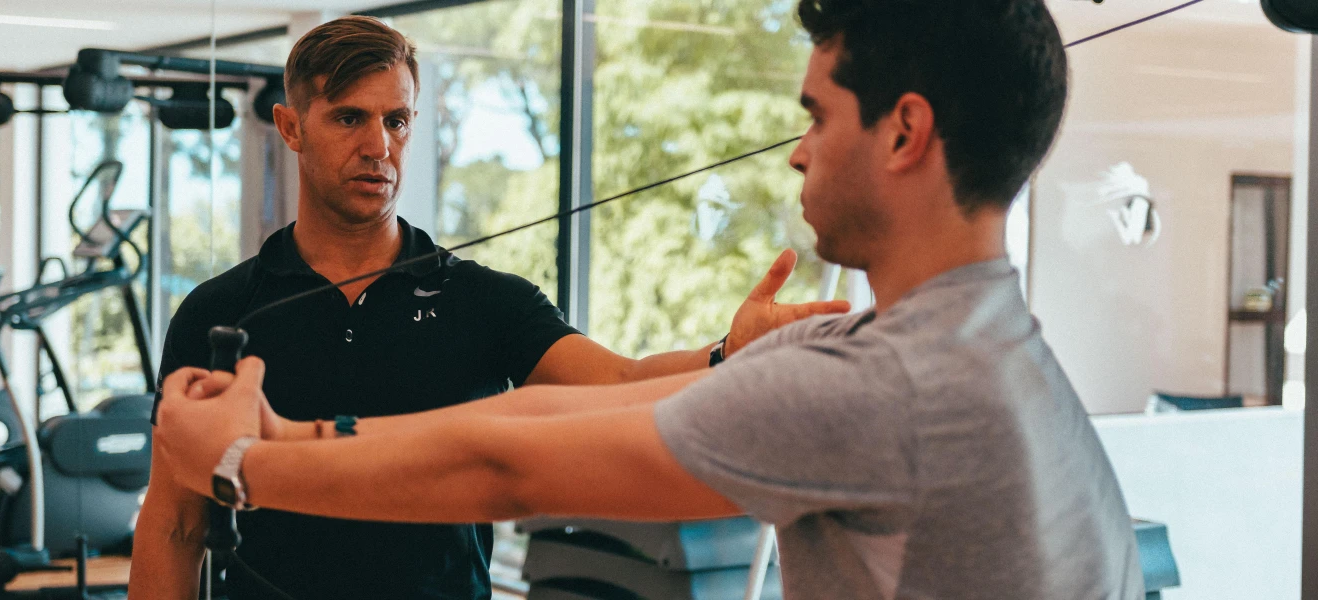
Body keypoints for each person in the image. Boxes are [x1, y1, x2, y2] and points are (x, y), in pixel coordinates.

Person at [157, 1, 1147, 598]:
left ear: (903, 133)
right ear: (293, 129)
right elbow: (550, 412)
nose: (797, 148)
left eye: (814, 115)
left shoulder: (887, 384)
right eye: (349, 118)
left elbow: (508, 461)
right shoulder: (989, 352)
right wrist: (733, 356)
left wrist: (247, 457)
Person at [129, 16, 848, 600]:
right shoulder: (219, 311)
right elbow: (172, 523)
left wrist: (726, 356)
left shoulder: (484, 300)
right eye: (349, 118)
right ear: (290, 128)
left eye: (398, 121)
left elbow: (623, 386)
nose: (379, 146)